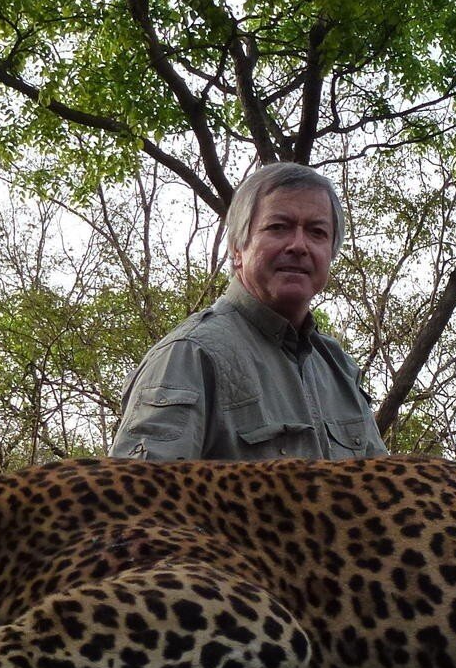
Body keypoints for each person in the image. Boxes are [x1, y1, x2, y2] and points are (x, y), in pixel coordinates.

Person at [111, 162, 389, 462]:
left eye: (317, 232)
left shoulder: (338, 369)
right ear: (237, 249)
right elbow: (136, 500)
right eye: (278, 227)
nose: (299, 245)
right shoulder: (188, 356)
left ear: (331, 253)